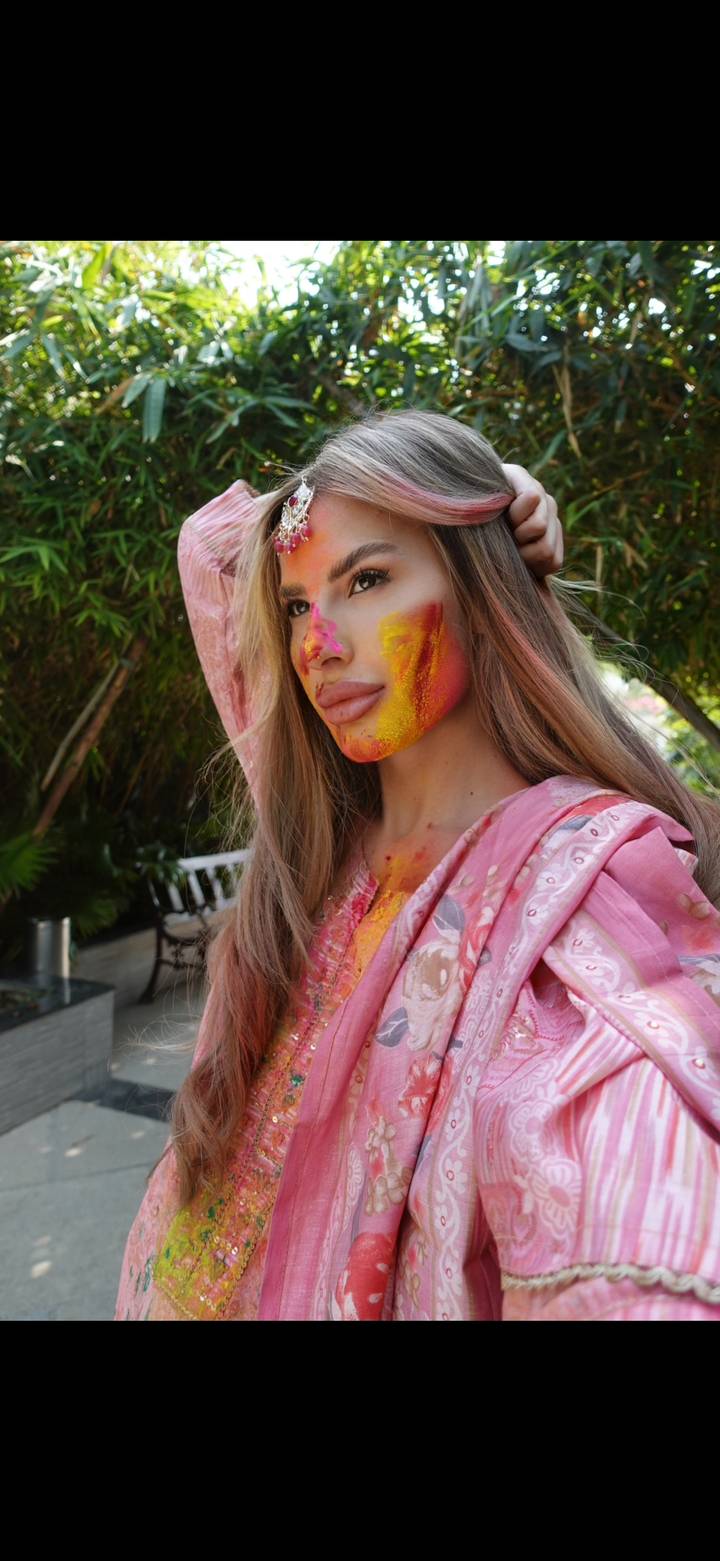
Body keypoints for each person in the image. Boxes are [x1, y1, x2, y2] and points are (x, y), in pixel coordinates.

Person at [114, 408, 720, 1322]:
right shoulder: (321, 844)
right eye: (295, 605)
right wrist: (473, 489)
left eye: (368, 578)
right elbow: (211, 552)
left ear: (480, 588)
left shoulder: (575, 889)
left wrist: (482, 510)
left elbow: (615, 1176)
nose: (318, 643)